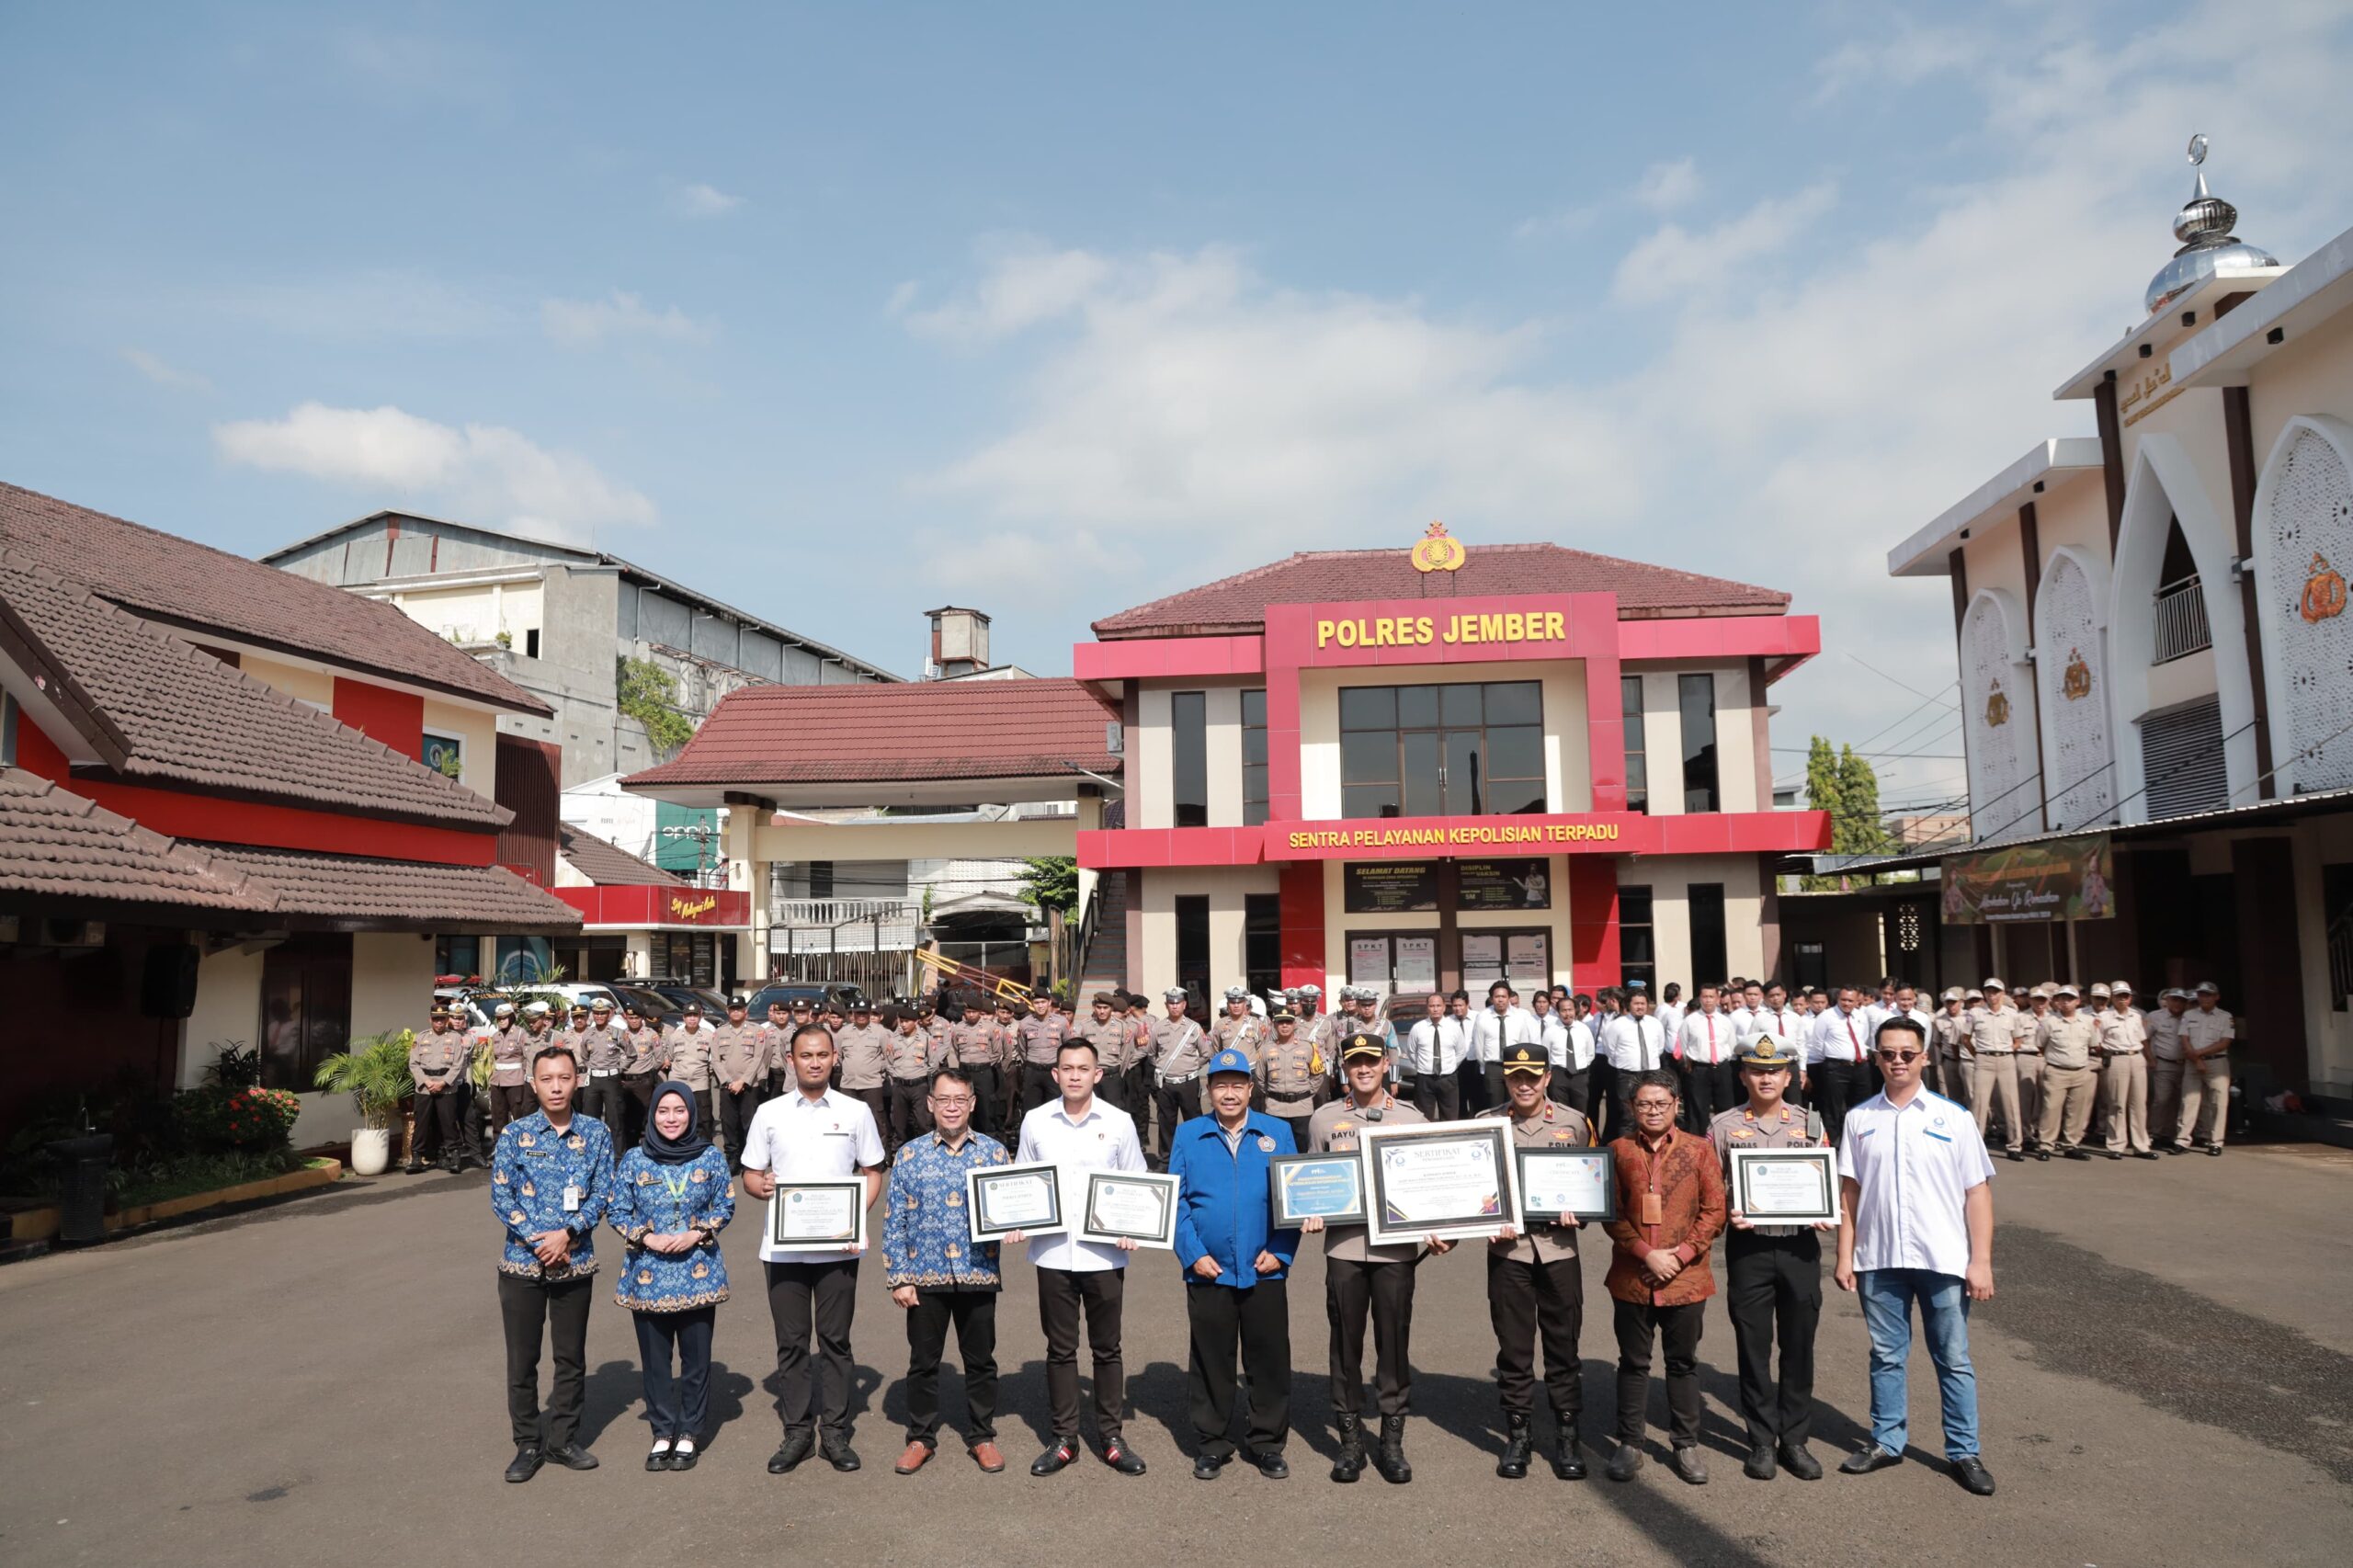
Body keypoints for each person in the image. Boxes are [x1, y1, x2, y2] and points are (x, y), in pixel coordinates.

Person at [1836, 1014, 1997, 1496]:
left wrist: (1981, 1260)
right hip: (1879, 1258)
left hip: (1942, 1259)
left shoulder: (1954, 1118)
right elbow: (1850, 1194)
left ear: (1924, 1056)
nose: (1898, 1062)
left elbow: (1977, 1193)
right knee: (1886, 1356)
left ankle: (1964, 1451)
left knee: (1953, 1357)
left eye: (1908, 1053)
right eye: (1888, 1054)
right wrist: (1845, 1256)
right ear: (1876, 1057)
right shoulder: (1860, 1119)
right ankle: (1887, 1441)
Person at [738, 1023, 888, 1476]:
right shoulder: (769, 1113)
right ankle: (798, 1431)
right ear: (791, 1061)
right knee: (792, 1342)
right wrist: (760, 1187)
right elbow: (750, 1174)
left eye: (823, 1054)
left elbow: (873, 1170)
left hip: (838, 1248)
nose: (815, 1062)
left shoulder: (856, 1111)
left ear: (835, 1057)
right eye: (806, 1055)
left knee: (836, 1341)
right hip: (782, 1251)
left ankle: (835, 1431)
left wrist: (852, 1215)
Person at [1302, 1033, 1450, 1484]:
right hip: (1345, 1249)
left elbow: (1429, 1181)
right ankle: (1350, 1443)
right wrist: (1308, 1209)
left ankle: (1391, 1440)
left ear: (1385, 1064)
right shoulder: (1325, 1119)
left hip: (1395, 1252)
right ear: (1343, 1070)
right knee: (1345, 1344)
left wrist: (1440, 1228)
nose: (1363, 1069)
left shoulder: (1410, 1117)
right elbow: (1310, 1177)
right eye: (1354, 1063)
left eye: (1371, 1061)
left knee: (1393, 1342)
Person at [1014, 1036, 1151, 1477]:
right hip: (1053, 1252)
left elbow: (1137, 1180)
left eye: (1082, 1069)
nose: (1074, 1076)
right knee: (1060, 1349)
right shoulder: (1035, 1121)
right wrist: (1013, 1217)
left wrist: (1133, 1227)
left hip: (1104, 1254)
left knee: (1107, 1349)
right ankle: (1064, 1437)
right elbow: (1021, 1178)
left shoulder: (1119, 1121)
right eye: (1066, 1068)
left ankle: (1111, 1436)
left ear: (1098, 1074)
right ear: (1055, 1075)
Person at [1169, 1047, 1299, 1480]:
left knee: (1269, 1358)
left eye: (1237, 1085)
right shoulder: (1189, 1135)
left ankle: (1266, 1442)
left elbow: (1293, 1197)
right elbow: (1176, 1203)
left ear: (1250, 1088)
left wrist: (1280, 1250)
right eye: (1220, 1085)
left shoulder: (1277, 1132)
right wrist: (1194, 1254)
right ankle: (1212, 1442)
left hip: (1264, 1267)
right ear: (1208, 1091)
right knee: (1211, 1357)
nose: (1229, 1094)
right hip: (1210, 1268)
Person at [490, 1044, 615, 1483]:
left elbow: (603, 1193)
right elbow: (500, 1195)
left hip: (575, 1261)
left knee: (570, 1357)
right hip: (522, 1264)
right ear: (533, 1083)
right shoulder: (514, 1135)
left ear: (578, 1080)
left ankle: (562, 1440)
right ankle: (527, 1443)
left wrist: (568, 1234)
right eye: (547, 1079)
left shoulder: (597, 1134)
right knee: (522, 1360)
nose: (556, 1087)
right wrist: (538, 1239)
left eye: (564, 1078)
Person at [1708, 1035, 1829, 1482]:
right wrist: (1728, 1211)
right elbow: (1710, 1189)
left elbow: (1827, 1180)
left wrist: (1825, 1211)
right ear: (1743, 1075)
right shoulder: (1721, 1127)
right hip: (1750, 1249)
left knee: (1799, 1347)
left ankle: (1795, 1440)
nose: (1765, 1078)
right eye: (1756, 1070)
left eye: (1774, 1070)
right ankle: (1760, 1439)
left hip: (1800, 1248)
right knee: (1753, 1348)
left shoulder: (1811, 1125)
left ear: (1789, 1076)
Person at [881, 1063, 1011, 1475]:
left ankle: (981, 1436)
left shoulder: (994, 1152)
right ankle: (920, 1437)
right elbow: (893, 1221)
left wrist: (1021, 1223)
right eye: (944, 1100)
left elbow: (1015, 1204)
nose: (951, 1108)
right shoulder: (910, 1155)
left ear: (972, 1104)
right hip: (925, 1277)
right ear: (931, 1104)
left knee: (981, 1361)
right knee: (923, 1362)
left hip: (978, 1272)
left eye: (960, 1100)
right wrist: (899, 1277)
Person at [1602, 1068, 1723, 1485]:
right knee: (1633, 1363)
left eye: (1660, 1103)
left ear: (1677, 1105)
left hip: (1685, 1279)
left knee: (1683, 1363)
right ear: (1631, 1108)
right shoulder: (1617, 1150)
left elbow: (1714, 1211)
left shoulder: (1699, 1150)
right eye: (1643, 1104)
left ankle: (1685, 1444)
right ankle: (1630, 1443)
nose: (1652, 1111)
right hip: (1633, 1275)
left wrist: (1682, 1254)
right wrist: (1647, 1254)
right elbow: (1611, 1214)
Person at [608, 1081, 734, 1471]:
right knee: (656, 1361)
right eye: (664, 1111)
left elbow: (725, 1204)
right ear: (652, 1115)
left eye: (680, 1110)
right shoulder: (634, 1159)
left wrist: (697, 1233)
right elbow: (617, 1210)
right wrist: (649, 1237)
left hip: (698, 1274)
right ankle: (663, 1430)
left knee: (697, 1361)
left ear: (692, 1114)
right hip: (648, 1274)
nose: (671, 1118)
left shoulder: (710, 1158)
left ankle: (691, 1432)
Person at [1482, 1043, 1594, 1481]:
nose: (1524, 1084)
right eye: (1515, 1077)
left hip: (1559, 1250)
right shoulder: (1486, 1124)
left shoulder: (1574, 1123)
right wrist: (1483, 1220)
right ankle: (1519, 1434)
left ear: (1548, 1077)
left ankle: (1567, 1435)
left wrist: (1580, 1212)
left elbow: (1592, 1180)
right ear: (1506, 1080)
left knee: (1563, 1346)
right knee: (1514, 1348)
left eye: (1533, 1076)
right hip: (1508, 1251)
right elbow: (1474, 1190)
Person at [2032, 985, 2098, 1161]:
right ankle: (2046, 1145)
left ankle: (2072, 1145)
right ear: (2057, 1002)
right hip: (2056, 1071)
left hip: (2081, 1071)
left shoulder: (2087, 1022)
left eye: (2069, 999)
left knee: (2077, 1110)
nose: (2066, 1002)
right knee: (2051, 1109)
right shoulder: (2049, 1022)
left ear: (2078, 1001)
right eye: (2062, 999)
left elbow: (2093, 1045)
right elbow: (2040, 1045)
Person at [1965, 980, 2027, 1161]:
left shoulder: (2012, 1014)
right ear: (1984, 994)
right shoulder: (1976, 1013)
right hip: (1984, 1058)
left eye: (1996, 991)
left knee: (2011, 1102)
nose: (1992, 995)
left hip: (2006, 1058)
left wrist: (2007, 1051)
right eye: (1989, 991)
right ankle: (1975, 1145)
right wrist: (1978, 1054)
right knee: (1979, 1103)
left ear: (2002, 994)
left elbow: (2018, 1040)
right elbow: (1966, 1039)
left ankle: (2015, 1145)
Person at [1597, 988, 1667, 1142]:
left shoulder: (1655, 1024)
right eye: (1636, 1004)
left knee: (1651, 1112)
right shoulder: (1617, 1025)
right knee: (1627, 1115)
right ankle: (1627, 1152)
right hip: (1627, 1075)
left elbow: (1660, 1048)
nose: (1640, 1007)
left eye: (1643, 1003)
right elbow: (1610, 1050)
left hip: (1651, 1074)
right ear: (1629, 1005)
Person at [407, 1006, 472, 1174]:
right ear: (430, 1020)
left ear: (446, 1020)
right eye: (436, 1019)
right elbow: (413, 1063)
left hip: (447, 1086)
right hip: (424, 1086)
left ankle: (455, 1157)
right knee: (421, 1122)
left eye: (442, 1019)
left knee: (449, 1122)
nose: (439, 1022)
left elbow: (458, 1064)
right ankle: (416, 1158)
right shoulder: (421, 1037)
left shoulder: (455, 1038)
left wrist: (443, 1082)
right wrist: (426, 1082)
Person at [710, 995, 770, 1175]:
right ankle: (732, 1158)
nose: (736, 1011)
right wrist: (728, 1082)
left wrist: (742, 1081)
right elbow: (715, 1059)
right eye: (732, 1008)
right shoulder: (719, 1032)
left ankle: (749, 1160)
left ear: (746, 1011)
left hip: (749, 1085)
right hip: (727, 1085)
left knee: (749, 1123)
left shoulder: (757, 1031)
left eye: (739, 1008)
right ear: (727, 1011)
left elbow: (758, 1058)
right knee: (728, 1123)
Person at [1804, 987, 1871, 1147]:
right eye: (1844, 1000)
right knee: (1832, 1109)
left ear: (1857, 1001)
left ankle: (1859, 1142)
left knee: (1861, 1107)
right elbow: (1818, 1043)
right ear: (1838, 999)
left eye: (1850, 1000)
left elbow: (1865, 1038)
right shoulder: (1827, 1017)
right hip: (1836, 1067)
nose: (1847, 1003)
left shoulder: (1861, 1016)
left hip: (1860, 1066)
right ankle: (1833, 1146)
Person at [2096, 982, 2154, 1160]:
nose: (2123, 999)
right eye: (2119, 996)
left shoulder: (2136, 1016)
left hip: (2136, 1057)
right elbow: (2097, 1043)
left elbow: (2143, 1040)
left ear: (2130, 998)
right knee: (2117, 1103)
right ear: (2112, 998)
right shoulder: (2104, 1017)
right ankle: (2116, 1144)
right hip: (2116, 1057)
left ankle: (2141, 1145)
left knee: (2139, 1103)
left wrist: (2150, 1058)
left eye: (2126, 996)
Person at [1150, 988, 1210, 1165]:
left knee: (1194, 1122)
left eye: (1178, 1003)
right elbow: (1152, 1054)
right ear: (1166, 1005)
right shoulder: (1157, 1028)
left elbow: (1205, 1053)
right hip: (1166, 1084)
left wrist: (1191, 1067)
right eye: (1171, 1003)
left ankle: (1197, 1158)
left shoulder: (1194, 1027)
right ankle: (1165, 1161)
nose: (1174, 1006)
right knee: (1166, 1124)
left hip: (1188, 1083)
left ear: (1184, 1005)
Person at [1255, 1009, 1324, 1149]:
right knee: (1276, 1148)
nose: (1284, 1026)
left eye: (1288, 1022)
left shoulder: (1309, 1047)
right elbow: (1260, 1078)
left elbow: (1317, 1075)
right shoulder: (1265, 1050)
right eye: (1281, 1022)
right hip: (1275, 1109)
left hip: (1302, 1108)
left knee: (1303, 1148)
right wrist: (1273, 1094)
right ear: (1274, 1025)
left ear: (1295, 1024)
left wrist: (1306, 1093)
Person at [1677, 984, 1735, 1132]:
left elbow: (1731, 1044)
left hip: (1722, 1068)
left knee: (1725, 1108)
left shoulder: (1725, 1021)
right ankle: (1699, 1144)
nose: (1708, 1000)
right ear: (1700, 998)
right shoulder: (1690, 1021)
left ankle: (1725, 1140)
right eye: (1705, 997)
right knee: (1698, 1110)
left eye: (1711, 997)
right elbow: (1684, 1046)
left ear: (1718, 999)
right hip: (1699, 1069)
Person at [881, 1005, 938, 1154]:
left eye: (907, 1021)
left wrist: (920, 1074)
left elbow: (933, 1064)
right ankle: (897, 1152)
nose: (903, 1024)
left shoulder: (926, 1039)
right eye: (902, 1021)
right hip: (900, 1086)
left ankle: (927, 1150)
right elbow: (888, 1062)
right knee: (899, 1123)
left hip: (919, 1085)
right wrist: (898, 1076)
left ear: (916, 1022)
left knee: (923, 1121)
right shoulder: (894, 1040)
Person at [616, 1000, 668, 1149]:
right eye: (631, 1018)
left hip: (643, 1083)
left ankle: (647, 1149)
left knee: (644, 1118)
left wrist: (647, 1073)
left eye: (636, 1018)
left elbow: (659, 1060)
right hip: (624, 1082)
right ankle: (629, 1150)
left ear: (642, 1019)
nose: (633, 1021)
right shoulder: (620, 1035)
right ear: (626, 1018)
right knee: (626, 1118)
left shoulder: (651, 1035)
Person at [834, 999, 892, 1133]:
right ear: (853, 1013)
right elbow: (841, 1057)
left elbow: (888, 1056)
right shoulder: (843, 1032)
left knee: (876, 1121)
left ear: (870, 1013)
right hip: (848, 1085)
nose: (861, 1016)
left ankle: (882, 1153)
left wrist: (877, 1071)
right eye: (858, 1013)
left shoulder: (880, 1032)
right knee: (848, 1121)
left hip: (872, 1085)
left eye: (864, 1013)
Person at [2148, 987, 2192, 1149]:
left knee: (2182, 1101)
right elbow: (2144, 1039)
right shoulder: (2155, 1016)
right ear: (2167, 1001)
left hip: (2187, 1065)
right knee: (2162, 1100)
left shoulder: (2191, 1017)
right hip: (2164, 1064)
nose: (2177, 1003)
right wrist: (2150, 1059)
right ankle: (2157, 1133)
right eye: (2174, 999)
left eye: (2181, 1000)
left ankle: (2175, 1134)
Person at [1072, 991, 1131, 1113]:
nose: (1102, 1011)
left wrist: (1118, 1074)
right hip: (1091, 1077)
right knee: (1089, 1111)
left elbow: (1125, 1055)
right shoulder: (1085, 1026)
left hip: (1112, 1077)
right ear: (1094, 1007)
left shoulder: (1121, 1026)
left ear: (1112, 1008)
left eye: (1106, 1008)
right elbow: (1078, 1051)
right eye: (1099, 1007)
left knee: (1113, 1112)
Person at [664, 1003, 717, 1138]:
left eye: (695, 1015)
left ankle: (704, 1148)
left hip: (700, 1083)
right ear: (683, 1018)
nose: (692, 1019)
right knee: (678, 1117)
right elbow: (669, 1058)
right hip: (678, 1082)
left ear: (700, 1016)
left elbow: (714, 1060)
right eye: (688, 1016)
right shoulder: (675, 1036)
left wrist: (705, 1073)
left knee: (703, 1119)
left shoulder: (708, 1035)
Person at [1016, 990, 1069, 1116]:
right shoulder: (1025, 1023)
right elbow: (1022, 1049)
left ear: (1049, 1002)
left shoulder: (1061, 1022)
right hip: (1032, 1071)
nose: (1040, 1006)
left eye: (1043, 1002)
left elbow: (1067, 1046)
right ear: (1032, 1004)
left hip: (1053, 1071)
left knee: (1055, 1108)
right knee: (1031, 1110)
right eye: (1037, 1002)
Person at [484, 1001, 533, 1134]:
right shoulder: (496, 1036)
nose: (501, 1021)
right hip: (497, 1082)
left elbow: (528, 1058)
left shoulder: (520, 1034)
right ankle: (499, 1145)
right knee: (498, 1115)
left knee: (518, 1116)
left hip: (515, 1082)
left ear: (511, 1017)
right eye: (499, 1018)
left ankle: (521, 1143)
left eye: (504, 1018)